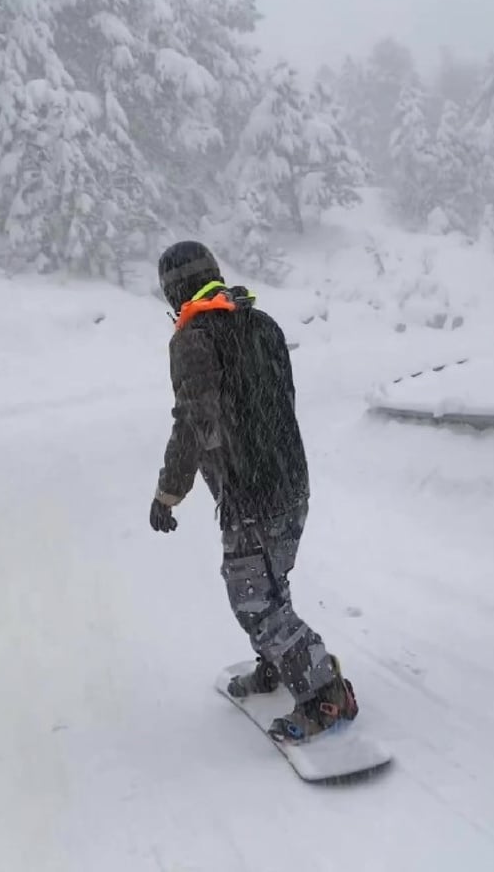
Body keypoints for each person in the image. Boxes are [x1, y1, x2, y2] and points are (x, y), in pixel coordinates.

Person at [150, 240, 358, 742]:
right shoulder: (262, 323)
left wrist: (168, 493)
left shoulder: (193, 339)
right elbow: (275, 403)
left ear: (175, 291)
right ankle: (280, 665)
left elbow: (195, 422)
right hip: (292, 483)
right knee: (273, 582)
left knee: (253, 601)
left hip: (250, 494)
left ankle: (325, 691)